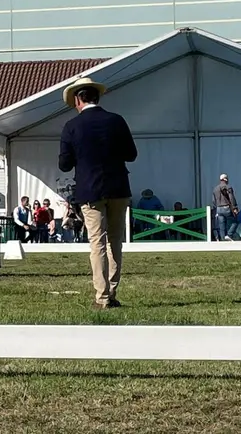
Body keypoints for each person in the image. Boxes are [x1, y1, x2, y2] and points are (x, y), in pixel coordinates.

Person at [58, 77, 137, 310]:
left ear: (78, 99)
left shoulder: (71, 126)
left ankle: (101, 297)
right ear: (97, 97)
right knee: (115, 242)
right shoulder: (117, 121)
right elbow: (131, 154)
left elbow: (64, 164)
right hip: (119, 188)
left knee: (97, 243)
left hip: (90, 190)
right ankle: (111, 293)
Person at [212, 173, 239, 241]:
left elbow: (213, 200)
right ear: (226, 179)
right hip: (226, 207)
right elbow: (231, 198)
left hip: (218, 208)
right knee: (235, 222)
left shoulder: (215, 189)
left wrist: (217, 206)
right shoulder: (228, 187)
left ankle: (223, 240)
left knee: (221, 226)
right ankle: (229, 234)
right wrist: (235, 207)